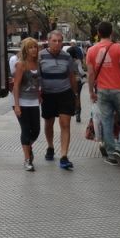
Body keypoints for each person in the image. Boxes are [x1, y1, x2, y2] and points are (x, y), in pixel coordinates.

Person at [87, 21, 120, 167]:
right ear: (111, 32)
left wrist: (91, 92)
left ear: (98, 33)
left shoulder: (91, 50)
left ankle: (111, 153)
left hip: (102, 90)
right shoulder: (119, 48)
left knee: (106, 121)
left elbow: (90, 74)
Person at [38, 30, 77, 170]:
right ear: (48, 41)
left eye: (60, 41)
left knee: (65, 124)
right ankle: (50, 146)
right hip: (48, 94)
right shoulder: (40, 56)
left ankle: (64, 156)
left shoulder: (67, 57)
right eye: (54, 41)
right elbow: (36, 75)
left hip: (65, 93)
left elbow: (72, 76)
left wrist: (76, 95)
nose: (57, 43)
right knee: (49, 123)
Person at [12, 38, 41, 171]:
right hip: (22, 102)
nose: (33, 49)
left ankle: (28, 148)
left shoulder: (38, 63)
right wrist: (17, 105)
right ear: (25, 50)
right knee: (25, 130)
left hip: (34, 102)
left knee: (36, 130)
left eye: (35, 47)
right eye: (30, 47)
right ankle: (27, 160)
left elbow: (39, 83)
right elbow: (16, 85)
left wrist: (40, 95)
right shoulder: (20, 64)